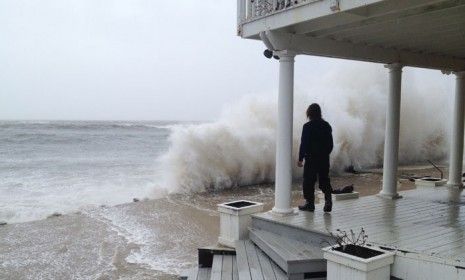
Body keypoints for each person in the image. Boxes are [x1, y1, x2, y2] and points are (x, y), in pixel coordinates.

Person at [297, 103, 334, 212]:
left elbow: (304, 144)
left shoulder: (307, 126)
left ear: (309, 113)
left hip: (311, 159)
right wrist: (325, 154)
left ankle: (310, 204)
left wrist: (300, 158)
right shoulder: (326, 125)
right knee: (324, 180)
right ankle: (328, 201)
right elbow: (330, 144)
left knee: (308, 182)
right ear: (319, 113)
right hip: (324, 158)